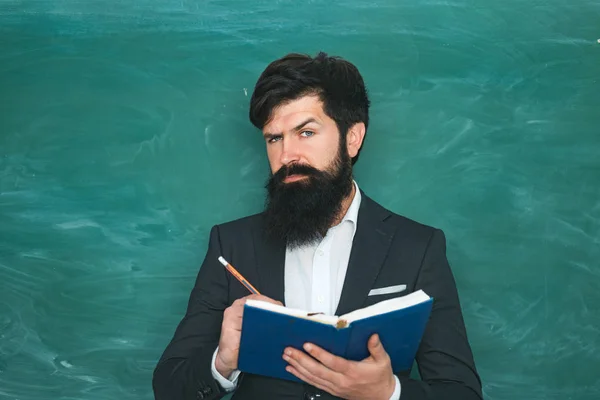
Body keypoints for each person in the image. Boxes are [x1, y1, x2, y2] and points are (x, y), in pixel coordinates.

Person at [152, 51, 482, 400]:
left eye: (306, 132)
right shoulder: (231, 243)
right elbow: (169, 389)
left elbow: (461, 392)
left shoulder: (418, 247)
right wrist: (223, 360)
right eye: (274, 138)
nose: (287, 156)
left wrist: (389, 392)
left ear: (353, 138)